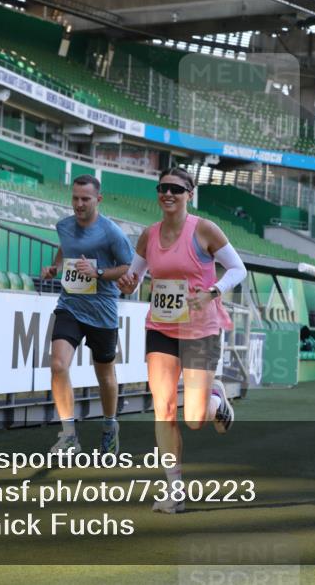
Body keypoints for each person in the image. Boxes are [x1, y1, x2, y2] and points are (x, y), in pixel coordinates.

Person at [117, 166, 247, 514]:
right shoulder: (149, 235)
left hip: (201, 329)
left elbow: (238, 269)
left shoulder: (203, 229)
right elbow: (135, 274)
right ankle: (174, 490)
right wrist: (128, 284)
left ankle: (217, 399)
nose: (168, 194)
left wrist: (212, 291)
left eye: (176, 188)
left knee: (195, 418)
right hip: (161, 327)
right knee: (162, 409)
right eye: (162, 188)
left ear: (190, 193)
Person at [41, 175, 134, 457]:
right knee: (58, 364)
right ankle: (69, 433)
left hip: (103, 311)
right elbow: (66, 247)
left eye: (85, 199)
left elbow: (127, 266)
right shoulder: (63, 226)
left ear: (98, 200)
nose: (79, 204)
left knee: (104, 374)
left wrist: (99, 273)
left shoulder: (112, 233)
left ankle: (109, 427)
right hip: (70, 305)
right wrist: (55, 267)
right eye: (75, 198)